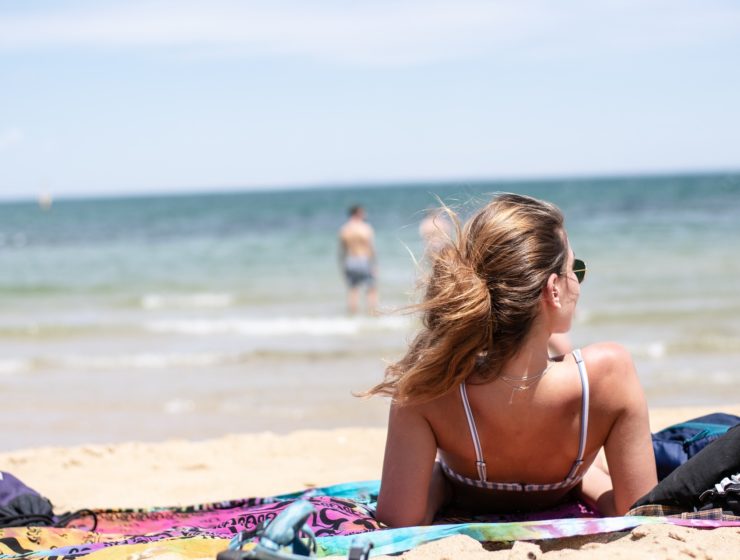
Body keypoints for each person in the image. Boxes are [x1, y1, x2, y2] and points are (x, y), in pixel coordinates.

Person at [367, 193, 657, 527]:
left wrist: (443, 484)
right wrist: (580, 479)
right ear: (554, 290)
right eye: (575, 269)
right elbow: (639, 513)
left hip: (462, 489)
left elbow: (399, 520)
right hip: (569, 482)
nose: (578, 282)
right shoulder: (607, 376)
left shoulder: (431, 385)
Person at [339, 205, 378, 315]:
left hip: (350, 260)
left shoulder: (344, 229)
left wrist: (343, 265)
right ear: (358, 213)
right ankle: (372, 314)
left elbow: (342, 251)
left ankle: (352, 316)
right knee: (371, 289)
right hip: (363, 260)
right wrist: (374, 265)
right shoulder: (365, 228)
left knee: (353, 290)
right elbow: (371, 248)